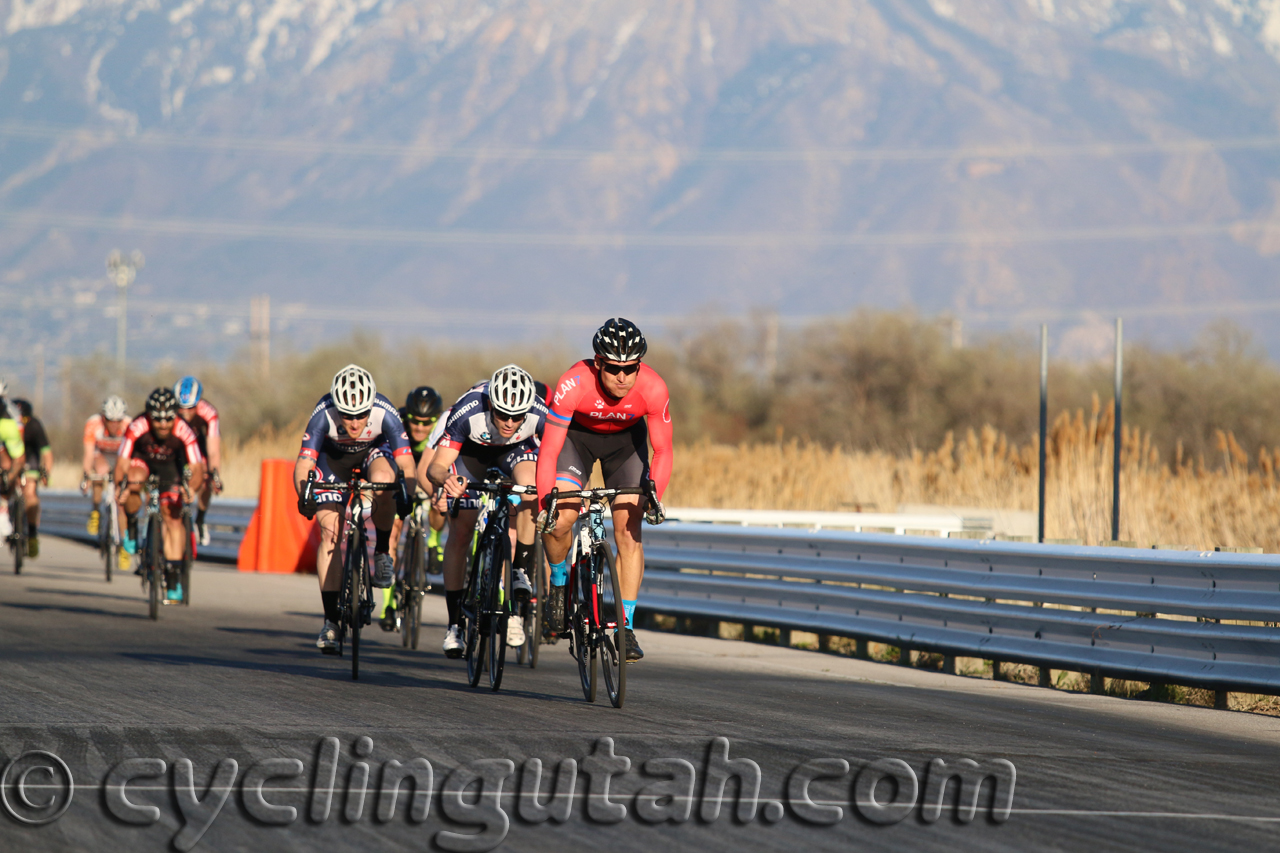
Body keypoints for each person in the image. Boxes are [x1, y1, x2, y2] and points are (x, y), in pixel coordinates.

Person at [536, 318, 671, 662]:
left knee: (629, 529)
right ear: (598, 363)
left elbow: (663, 450)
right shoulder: (573, 383)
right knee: (559, 520)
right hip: (576, 442)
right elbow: (549, 451)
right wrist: (544, 503)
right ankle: (559, 582)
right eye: (613, 368)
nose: (622, 377)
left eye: (630, 368)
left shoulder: (653, 388)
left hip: (626, 445)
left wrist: (654, 495)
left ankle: (625, 626)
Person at [423, 365, 546, 657]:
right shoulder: (468, 411)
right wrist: (446, 479)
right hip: (471, 454)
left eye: (517, 416)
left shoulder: (540, 413)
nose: (510, 422)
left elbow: (559, 456)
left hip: (515, 453)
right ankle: (454, 624)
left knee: (531, 489)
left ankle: (519, 572)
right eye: (503, 414)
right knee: (461, 531)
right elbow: (435, 466)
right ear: (491, 405)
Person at [293, 365, 415, 654]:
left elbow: (407, 464)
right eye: (347, 415)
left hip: (374, 453)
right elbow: (304, 464)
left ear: (370, 406)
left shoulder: (385, 411)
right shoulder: (323, 413)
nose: (355, 422)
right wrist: (304, 495)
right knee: (330, 534)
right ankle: (331, 622)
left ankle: (382, 551)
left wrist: (407, 493)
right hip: (333, 461)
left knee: (385, 480)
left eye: (361, 414)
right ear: (337, 407)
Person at [116, 388, 207, 601]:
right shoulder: (137, 425)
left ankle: (173, 578)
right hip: (142, 463)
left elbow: (197, 468)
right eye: (157, 419)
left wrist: (191, 488)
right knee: (133, 481)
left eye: (168, 419)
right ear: (149, 416)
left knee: (172, 517)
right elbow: (121, 463)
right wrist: (121, 488)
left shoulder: (184, 430)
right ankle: (131, 525)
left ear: (176, 415)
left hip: (171, 468)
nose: (163, 424)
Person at [379, 385, 447, 631]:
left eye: (426, 423)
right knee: (393, 531)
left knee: (440, 502)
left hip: (428, 474)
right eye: (415, 421)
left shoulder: (444, 429)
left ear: (435, 420)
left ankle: (434, 543)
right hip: (403, 474)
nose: (419, 428)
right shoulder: (396, 424)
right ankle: (388, 603)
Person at [174, 376, 222, 547]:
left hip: (199, 444)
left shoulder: (209, 413)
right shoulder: (171, 412)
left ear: (198, 403)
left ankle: (200, 519)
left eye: (190, 408)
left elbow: (213, 450)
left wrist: (215, 474)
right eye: (181, 408)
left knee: (207, 476)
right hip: (177, 445)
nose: (185, 412)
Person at [83, 396, 131, 558]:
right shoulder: (93, 424)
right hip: (101, 455)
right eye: (110, 421)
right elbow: (88, 454)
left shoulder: (129, 426)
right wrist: (86, 476)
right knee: (98, 472)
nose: (114, 425)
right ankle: (96, 511)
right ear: (103, 418)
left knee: (121, 502)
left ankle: (124, 545)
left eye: (118, 421)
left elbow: (131, 457)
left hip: (120, 457)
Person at [12, 400, 51, 558]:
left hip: (30, 458)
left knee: (30, 492)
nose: (21, 422)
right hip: (12, 456)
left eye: (24, 419)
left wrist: (46, 473)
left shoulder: (34, 425)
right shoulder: (6, 424)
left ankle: (32, 533)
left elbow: (47, 453)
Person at [0, 381, 24, 542]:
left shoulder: (12, 412)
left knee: (9, 464)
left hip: (7, 434)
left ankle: (3, 508)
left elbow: (19, 446)